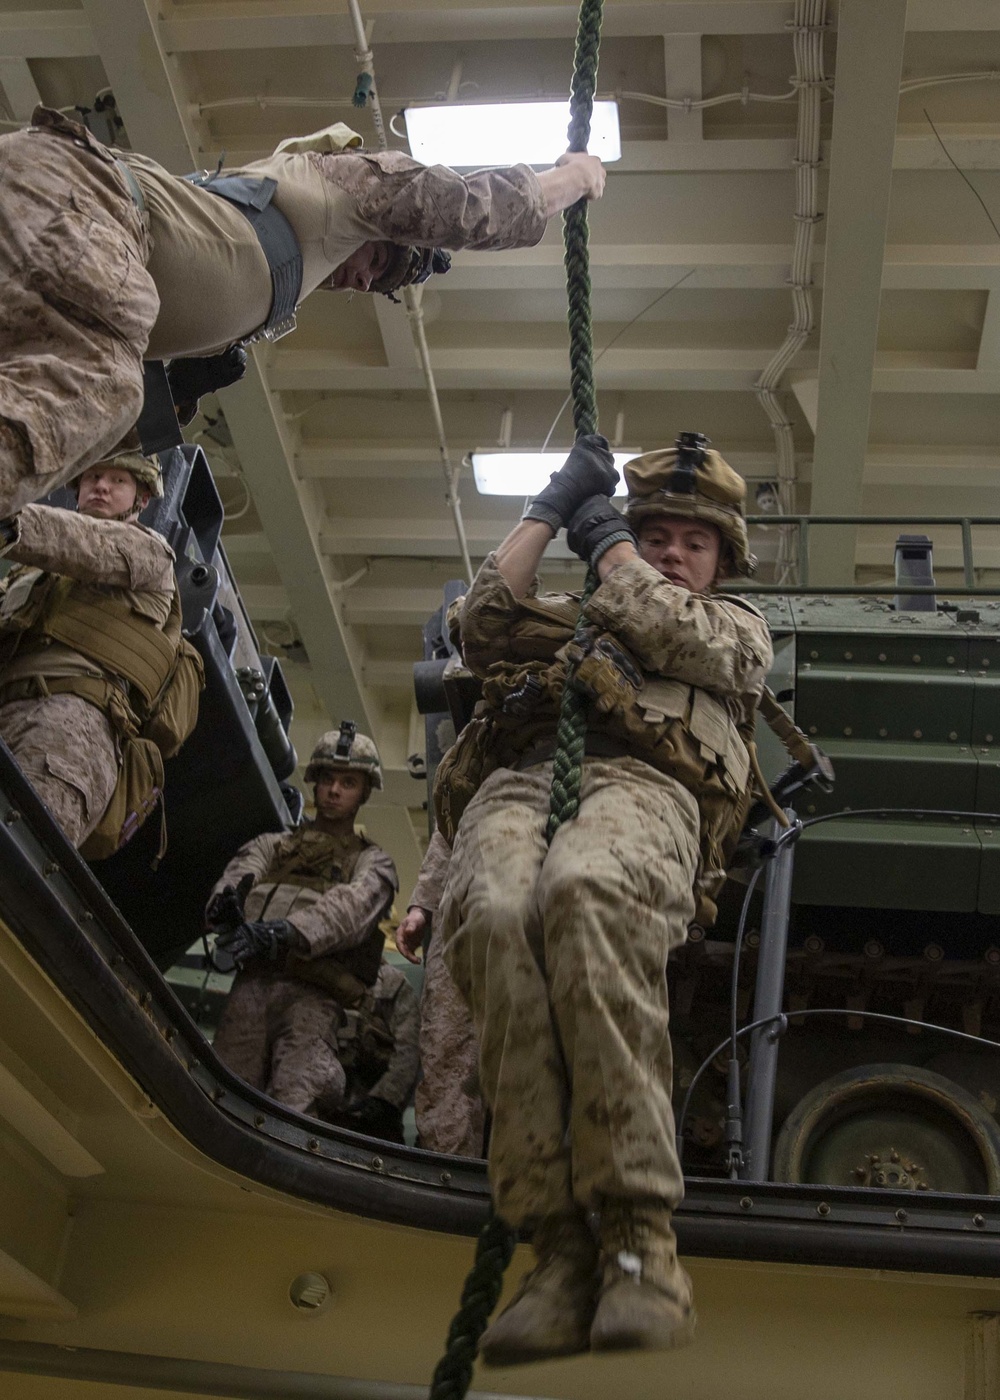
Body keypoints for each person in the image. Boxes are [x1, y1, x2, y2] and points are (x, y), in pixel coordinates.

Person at [436, 434, 773, 1364]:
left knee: (586, 893)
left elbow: (676, 631)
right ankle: (557, 1249)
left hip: (648, 791)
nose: (669, 551)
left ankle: (640, 1242)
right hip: (524, 782)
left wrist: (614, 543)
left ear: (723, 560)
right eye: (653, 532)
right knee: (497, 916)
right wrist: (551, 510)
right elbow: (483, 623)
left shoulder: (737, 628)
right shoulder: (577, 616)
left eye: (691, 543)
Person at [0, 106, 607, 514]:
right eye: (380, 262)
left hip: (58, 254)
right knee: (105, 389)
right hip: (88, 211)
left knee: (85, 400)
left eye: (377, 285)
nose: (360, 280)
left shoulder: (253, 220)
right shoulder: (348, 181)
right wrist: (568, 180)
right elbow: (472, 209)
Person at [206, 723, 399, 1120]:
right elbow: (241, 872)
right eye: (328, 779)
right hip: (252, 986)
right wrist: (224, 907)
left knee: (295, 1100)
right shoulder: (273, 845)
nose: (334, 790)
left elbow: (351, 908)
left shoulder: (372, 862)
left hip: (315, 998)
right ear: (314, 783)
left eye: (348, 782)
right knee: (223, 1098)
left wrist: (285, 931)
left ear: (364, 792)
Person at [0, 452, 180, 850]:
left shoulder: (148, 553)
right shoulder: (26, 576)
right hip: (7, 708)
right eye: (94, 476)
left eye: (119, 481)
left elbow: (86, 544)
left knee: (21, 857)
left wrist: (10, 520)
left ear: (142, 499)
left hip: (70, 724)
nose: (102, 486)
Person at [395, 829, 485, 1157]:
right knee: (447, 1057)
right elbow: (449, 827)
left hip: (540, 909)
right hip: (460, 918)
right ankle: (446, 1179)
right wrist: (421, 907)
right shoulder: (462, 776)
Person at [320, 955, 420, 1146]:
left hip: (374, 1116)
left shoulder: (392, 985)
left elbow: (409, 1052)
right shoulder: (313, 978)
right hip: (323, 1112)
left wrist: (384, 1101)